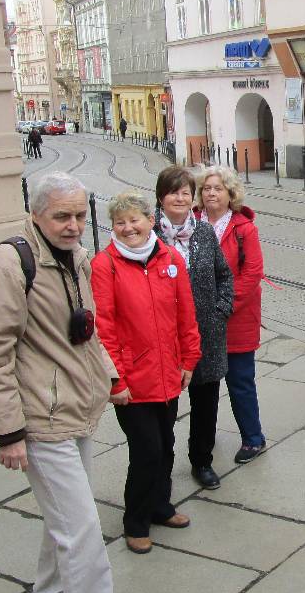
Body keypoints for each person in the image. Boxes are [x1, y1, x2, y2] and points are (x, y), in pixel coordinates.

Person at [0, 172, 140, 593]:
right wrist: (8, 433)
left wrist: (110, 377)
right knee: (83, 531)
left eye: (81, 215)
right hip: (40, 419)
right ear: (36, 213)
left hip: (73, 408)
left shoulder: (74, 257)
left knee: (64, 515)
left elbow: (85, 333)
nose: (74, 225)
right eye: (62, 216)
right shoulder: (8, 264)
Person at [91, 191, 202, 554]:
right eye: (119, 222)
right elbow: (104, 328)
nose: (128, 228)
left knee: (166, 445)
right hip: (132, 379)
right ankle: (135, 521)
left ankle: (160, 506)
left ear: (150, 221)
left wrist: (189, 360)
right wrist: (115, 380)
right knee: (146, 450)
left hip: (168, 372)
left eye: (134, 220)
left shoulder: (170, 258)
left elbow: (186, 314)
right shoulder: (105, 265)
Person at [157, 165, 234, 489]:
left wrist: (220, 311)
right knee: (163, 409)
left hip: (206, 334)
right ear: (161, 197)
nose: (180, 198)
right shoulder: (148, 235)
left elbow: (224, 276)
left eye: (185, 192)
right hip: (164, 338)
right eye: (173, 192)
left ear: (193, 198)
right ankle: (160, 468)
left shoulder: (203, 232)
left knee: (206, 405)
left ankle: (202, 461)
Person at [199, 165, 266, 462]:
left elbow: (252, 274)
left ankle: (253, 438)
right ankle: (204, 438)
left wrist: (221, 306)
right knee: (205, 386)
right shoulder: (192, 223)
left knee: (240, 382)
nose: (211, 193)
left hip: (235, 319)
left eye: (218, 188)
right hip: (199, 320)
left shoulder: (243, 228)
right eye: (206, 188)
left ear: (231, 194)